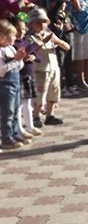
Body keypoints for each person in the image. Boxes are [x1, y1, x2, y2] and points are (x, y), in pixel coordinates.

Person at [26, 8, 69, 127]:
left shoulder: (50, 35)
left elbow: (67, 47)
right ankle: (36, 116)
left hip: (53, 67)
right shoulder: (30, 37)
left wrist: (58, 42)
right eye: (37, 22)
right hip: (40, 70)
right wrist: (43, 42)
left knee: (53, 92)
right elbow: (31, 50)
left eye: (44, 22)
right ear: (31, 24)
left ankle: (50, 115)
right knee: (39, 94)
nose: (41, 25)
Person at [0, 19, 28, 150]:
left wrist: (20, 59)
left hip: (15, 82)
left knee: (16, 109)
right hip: (5, 85)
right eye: (13, 35)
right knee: (8, 111)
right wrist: (16, 60)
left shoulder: (11, 48)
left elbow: (19, 65)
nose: (15, 38)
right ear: (2, 37)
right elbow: (1, 71)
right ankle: (6, 137)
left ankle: (15, 133)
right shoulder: (1, 51)